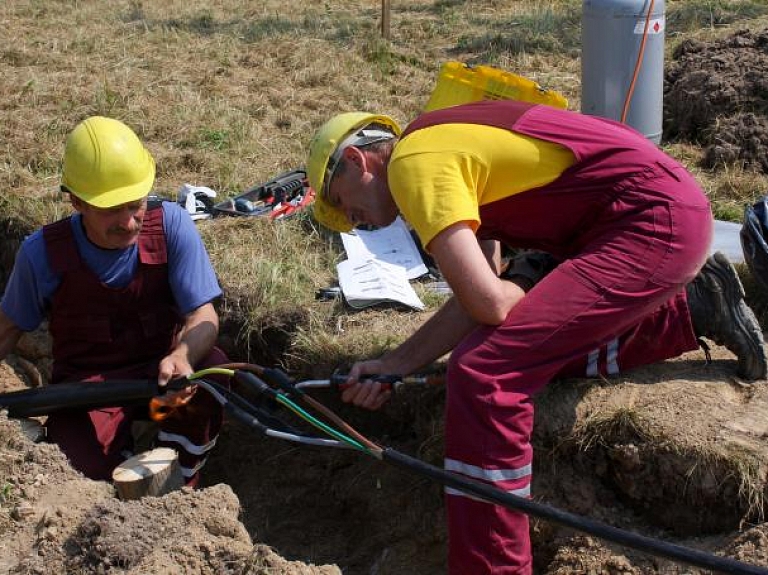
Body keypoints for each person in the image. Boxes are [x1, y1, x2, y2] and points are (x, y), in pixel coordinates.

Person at [306, 101, 767, 574]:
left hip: (646, 223)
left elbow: (489, 303)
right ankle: (689, 311)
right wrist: (397, 362)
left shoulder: (412, 167)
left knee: (484, 375)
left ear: (359, 161)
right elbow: (480, 302)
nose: (352, 220)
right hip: (648, 217)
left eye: (340, 201)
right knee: (509, 350)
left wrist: (520, 283)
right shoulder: (437, 144)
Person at [0, 116, 226, 487]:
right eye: (111, 209)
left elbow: (203, 314)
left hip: (163, 385)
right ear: (77, 202)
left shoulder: (171, 226)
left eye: (134, 204)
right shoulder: (41, 254)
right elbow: (7, 329)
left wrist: (183, 356)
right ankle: (119, 464)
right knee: (83, 477)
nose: (129, 222)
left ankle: (182, 478)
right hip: (87, 396)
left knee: (213, 371)